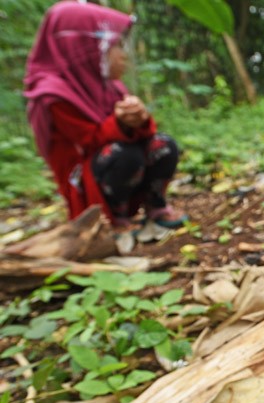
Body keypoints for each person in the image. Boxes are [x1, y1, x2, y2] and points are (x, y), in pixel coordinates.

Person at [24, 1, 186, 231]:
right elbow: (88, 141)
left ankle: (155, 205)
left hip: (118, 170)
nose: (123, 56)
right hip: (88, 186)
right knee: (125, 155)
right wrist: (120, 123)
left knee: (164, 145)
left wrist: (139, 119)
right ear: (85, 46)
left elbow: (143, 135)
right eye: (115, 46)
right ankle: (112, 220)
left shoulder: (110, 87)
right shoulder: (54, 96)